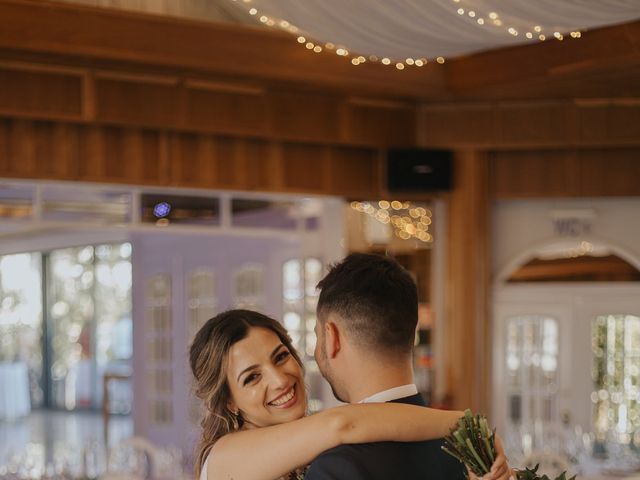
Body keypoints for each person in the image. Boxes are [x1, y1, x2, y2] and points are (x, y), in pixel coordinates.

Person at [190, 309, 512, 480]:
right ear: (228, 401)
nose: (279, 380)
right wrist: (467, 423)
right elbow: (343, 424)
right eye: (252, 378)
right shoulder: (226, 457)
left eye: (280, 356)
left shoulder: (307, 449)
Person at [306, 252, 488, 479]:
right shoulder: (468, 450)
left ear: (331, 337)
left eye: (317, 336)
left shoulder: (337, 467)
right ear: (411, 334)